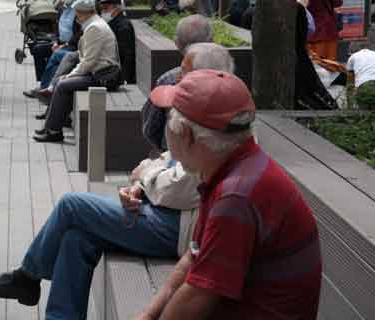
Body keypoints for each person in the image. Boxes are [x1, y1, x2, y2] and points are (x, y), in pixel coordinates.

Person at [135, 69, 322, 320]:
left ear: (186, 134)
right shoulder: (235, 169)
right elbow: (193, 258)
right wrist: (147, 316)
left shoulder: (235, 197)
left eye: (168, 119)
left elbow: (197, 295)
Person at [0, 138, 203, 319]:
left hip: (175, 229)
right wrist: (139, 186)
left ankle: (26, 278)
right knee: (77, 236)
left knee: (71, 205)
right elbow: (161, 163)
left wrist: (145, 175)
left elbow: (173, 188)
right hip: (157, 210)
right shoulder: (194, 129)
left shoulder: (210, 142)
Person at [33, 0, 121, 143]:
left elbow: (89, 61)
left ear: (83, 13)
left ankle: (54, 131)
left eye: (77, 14)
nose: (76, 17)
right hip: (98, 70)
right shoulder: (93, 23)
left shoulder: (94, 28)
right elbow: (86, 58)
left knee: (63, 85)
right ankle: (51, 125)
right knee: (64, 81)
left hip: (103, 75)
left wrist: (69, 76)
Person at [142, 15, 213, 150]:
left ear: (177, 43)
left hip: (178, 155)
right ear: (212, 40)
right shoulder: (229, 78)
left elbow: (150, 129)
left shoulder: (167, 80)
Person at [24, 0, 79, 98]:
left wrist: (65, 45)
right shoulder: (62, 8)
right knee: (37, 49)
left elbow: (79, 34)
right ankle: (42, 82)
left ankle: (45, 88)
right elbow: (57, 29)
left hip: (73, 45)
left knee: (55, 55)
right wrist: (56, 42)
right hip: (61, 43)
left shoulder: (78, 9)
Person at [99, 0, 137, 84]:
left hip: (117, 73)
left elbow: (127, 55)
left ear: (116, 9)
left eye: (106, 8)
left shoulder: (123, 26)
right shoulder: (111, 23)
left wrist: (124, 78)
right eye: (102, 9)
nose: (103, 12)